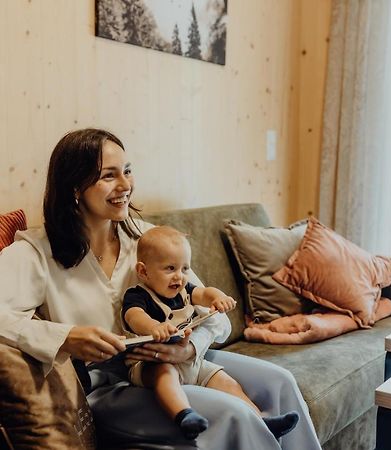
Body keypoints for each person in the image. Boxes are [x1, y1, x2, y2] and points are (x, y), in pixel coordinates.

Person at [0, 128, 322, 450]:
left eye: (127, 171)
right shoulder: (36, 253)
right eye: (109, 176)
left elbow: (215, 317)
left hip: (179, 363)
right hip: (108, 387)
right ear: (74, 187)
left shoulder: (149, 240)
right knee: (234, 414)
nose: (126, 185)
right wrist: (66, 337)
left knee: (280, 383)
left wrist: (191, 347)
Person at [122, 225, 300, 440]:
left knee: (225, 380)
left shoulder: (184, 290)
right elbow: (134, 316)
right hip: (149, 363)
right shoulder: (138, 295)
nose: (179, 276)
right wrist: (153, 326)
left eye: (185, 268)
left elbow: (204, 292)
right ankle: (184, 415)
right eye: (170, 268)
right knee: (165, 375)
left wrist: (218, 297)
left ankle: (261, 420)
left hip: (190, 361)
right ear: (143, 271)